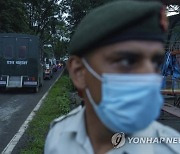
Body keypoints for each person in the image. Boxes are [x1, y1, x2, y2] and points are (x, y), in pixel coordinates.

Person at [44, 0, 180, 154]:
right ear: (79, 72)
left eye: (156, 62)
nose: (149, 76)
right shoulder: (59, 135)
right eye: (128, 61)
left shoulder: (170, 148)